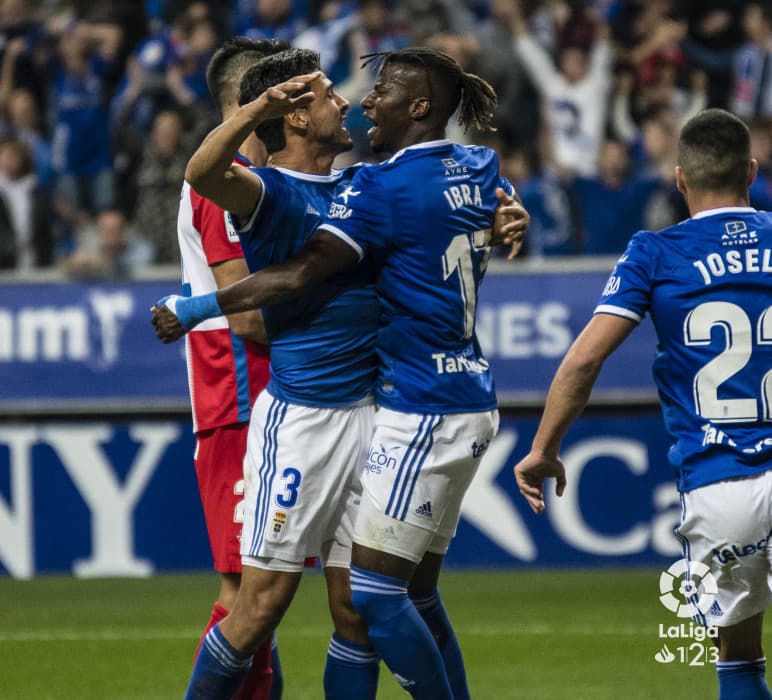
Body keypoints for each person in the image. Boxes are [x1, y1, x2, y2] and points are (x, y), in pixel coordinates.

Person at [153, 46, 524, 700]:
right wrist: (256, 109)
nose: (349, 101)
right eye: (329, 94)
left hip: (379, 418)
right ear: (296, 115)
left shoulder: (367, 185)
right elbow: (203, 172)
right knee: (259, 606)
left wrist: (500, 208)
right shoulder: (269, 193)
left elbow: (443, 193)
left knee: (356, 611)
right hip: (301, 422)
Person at [513, 108, 772, 700]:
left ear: (680, 179)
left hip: (720, 485)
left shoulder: (654, 252)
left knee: (738, 658)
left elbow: (584, 360)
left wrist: (544, 448)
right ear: (752, 172)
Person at [178, 36, 290, 700]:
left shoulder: (252, 180)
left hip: (258, 398)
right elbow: (246, 315)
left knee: (262, 592)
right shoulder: (223, 184)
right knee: (248, 591)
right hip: (240, 393)